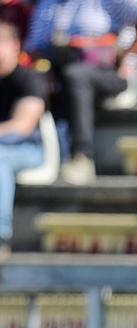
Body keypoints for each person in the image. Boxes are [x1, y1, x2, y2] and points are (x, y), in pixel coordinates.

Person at [25, 0, 137, 184]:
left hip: (110, 71)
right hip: (60, 70)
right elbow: (33, 47)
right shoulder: (49, 3)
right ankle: (32, 151)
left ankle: (82, 156)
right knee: (35, 79)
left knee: (76, 75)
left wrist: (130, 54)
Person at [0, 20, 45, 257]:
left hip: (27, 149)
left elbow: (23, 126)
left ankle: (0, 237)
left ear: (15, 45)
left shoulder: (29, 79)